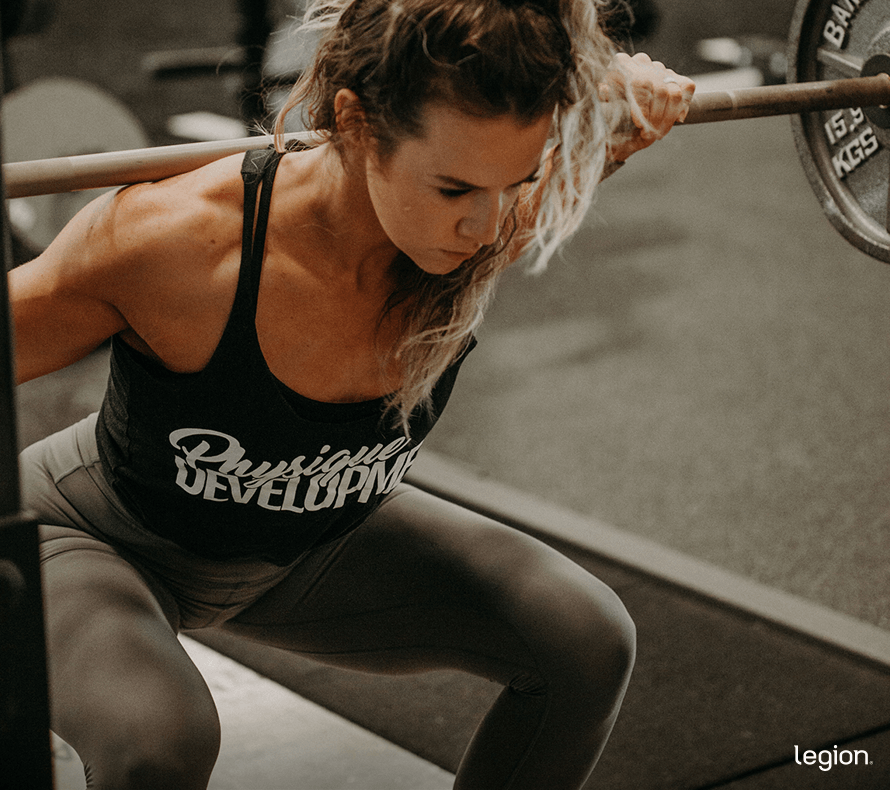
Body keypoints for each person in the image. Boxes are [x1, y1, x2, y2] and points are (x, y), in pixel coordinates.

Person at [10, 0, 694, 787]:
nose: (489, 224)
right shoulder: (174, 244)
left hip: (307, 546)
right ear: (356, 123)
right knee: (161, 741)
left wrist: (623, 122)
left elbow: (538, 158)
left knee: (584, 638)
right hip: (96, 538)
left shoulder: (474, 209)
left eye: (523, 178)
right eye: (452, 189)